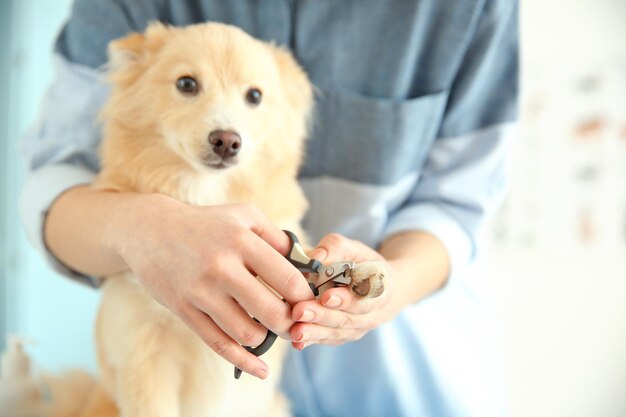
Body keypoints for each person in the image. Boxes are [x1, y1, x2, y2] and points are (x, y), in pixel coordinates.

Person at [19, 1, 518, 416]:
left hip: (407, 385)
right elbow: (53, 179)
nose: (224, 126)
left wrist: (393, 283)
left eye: (254, 96)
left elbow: (456, 202)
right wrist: (136, 227)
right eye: (188, 84)